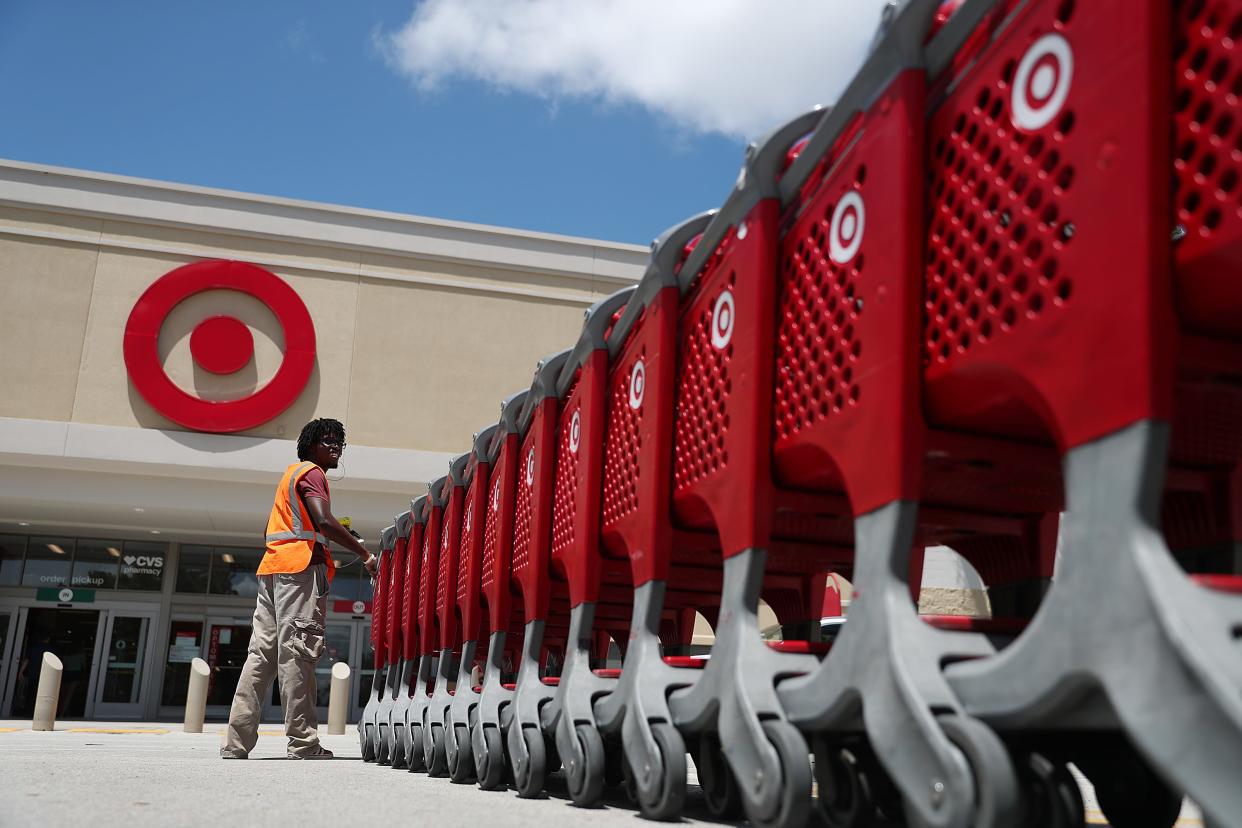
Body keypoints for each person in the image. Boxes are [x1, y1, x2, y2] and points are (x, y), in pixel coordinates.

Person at [221, 418, 378, 759]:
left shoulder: (289, 476)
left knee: (261, 654)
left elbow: (279, 527)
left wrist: (335, 534)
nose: (335, 446)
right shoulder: (313, 473)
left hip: (274, 567)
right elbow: (322, 520)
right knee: (298, 653)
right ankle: (303, 743)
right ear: (310, 445)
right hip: (299, 569)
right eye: (328, 440)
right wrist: (364, 553)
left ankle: (236, 743)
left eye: (340, 441)